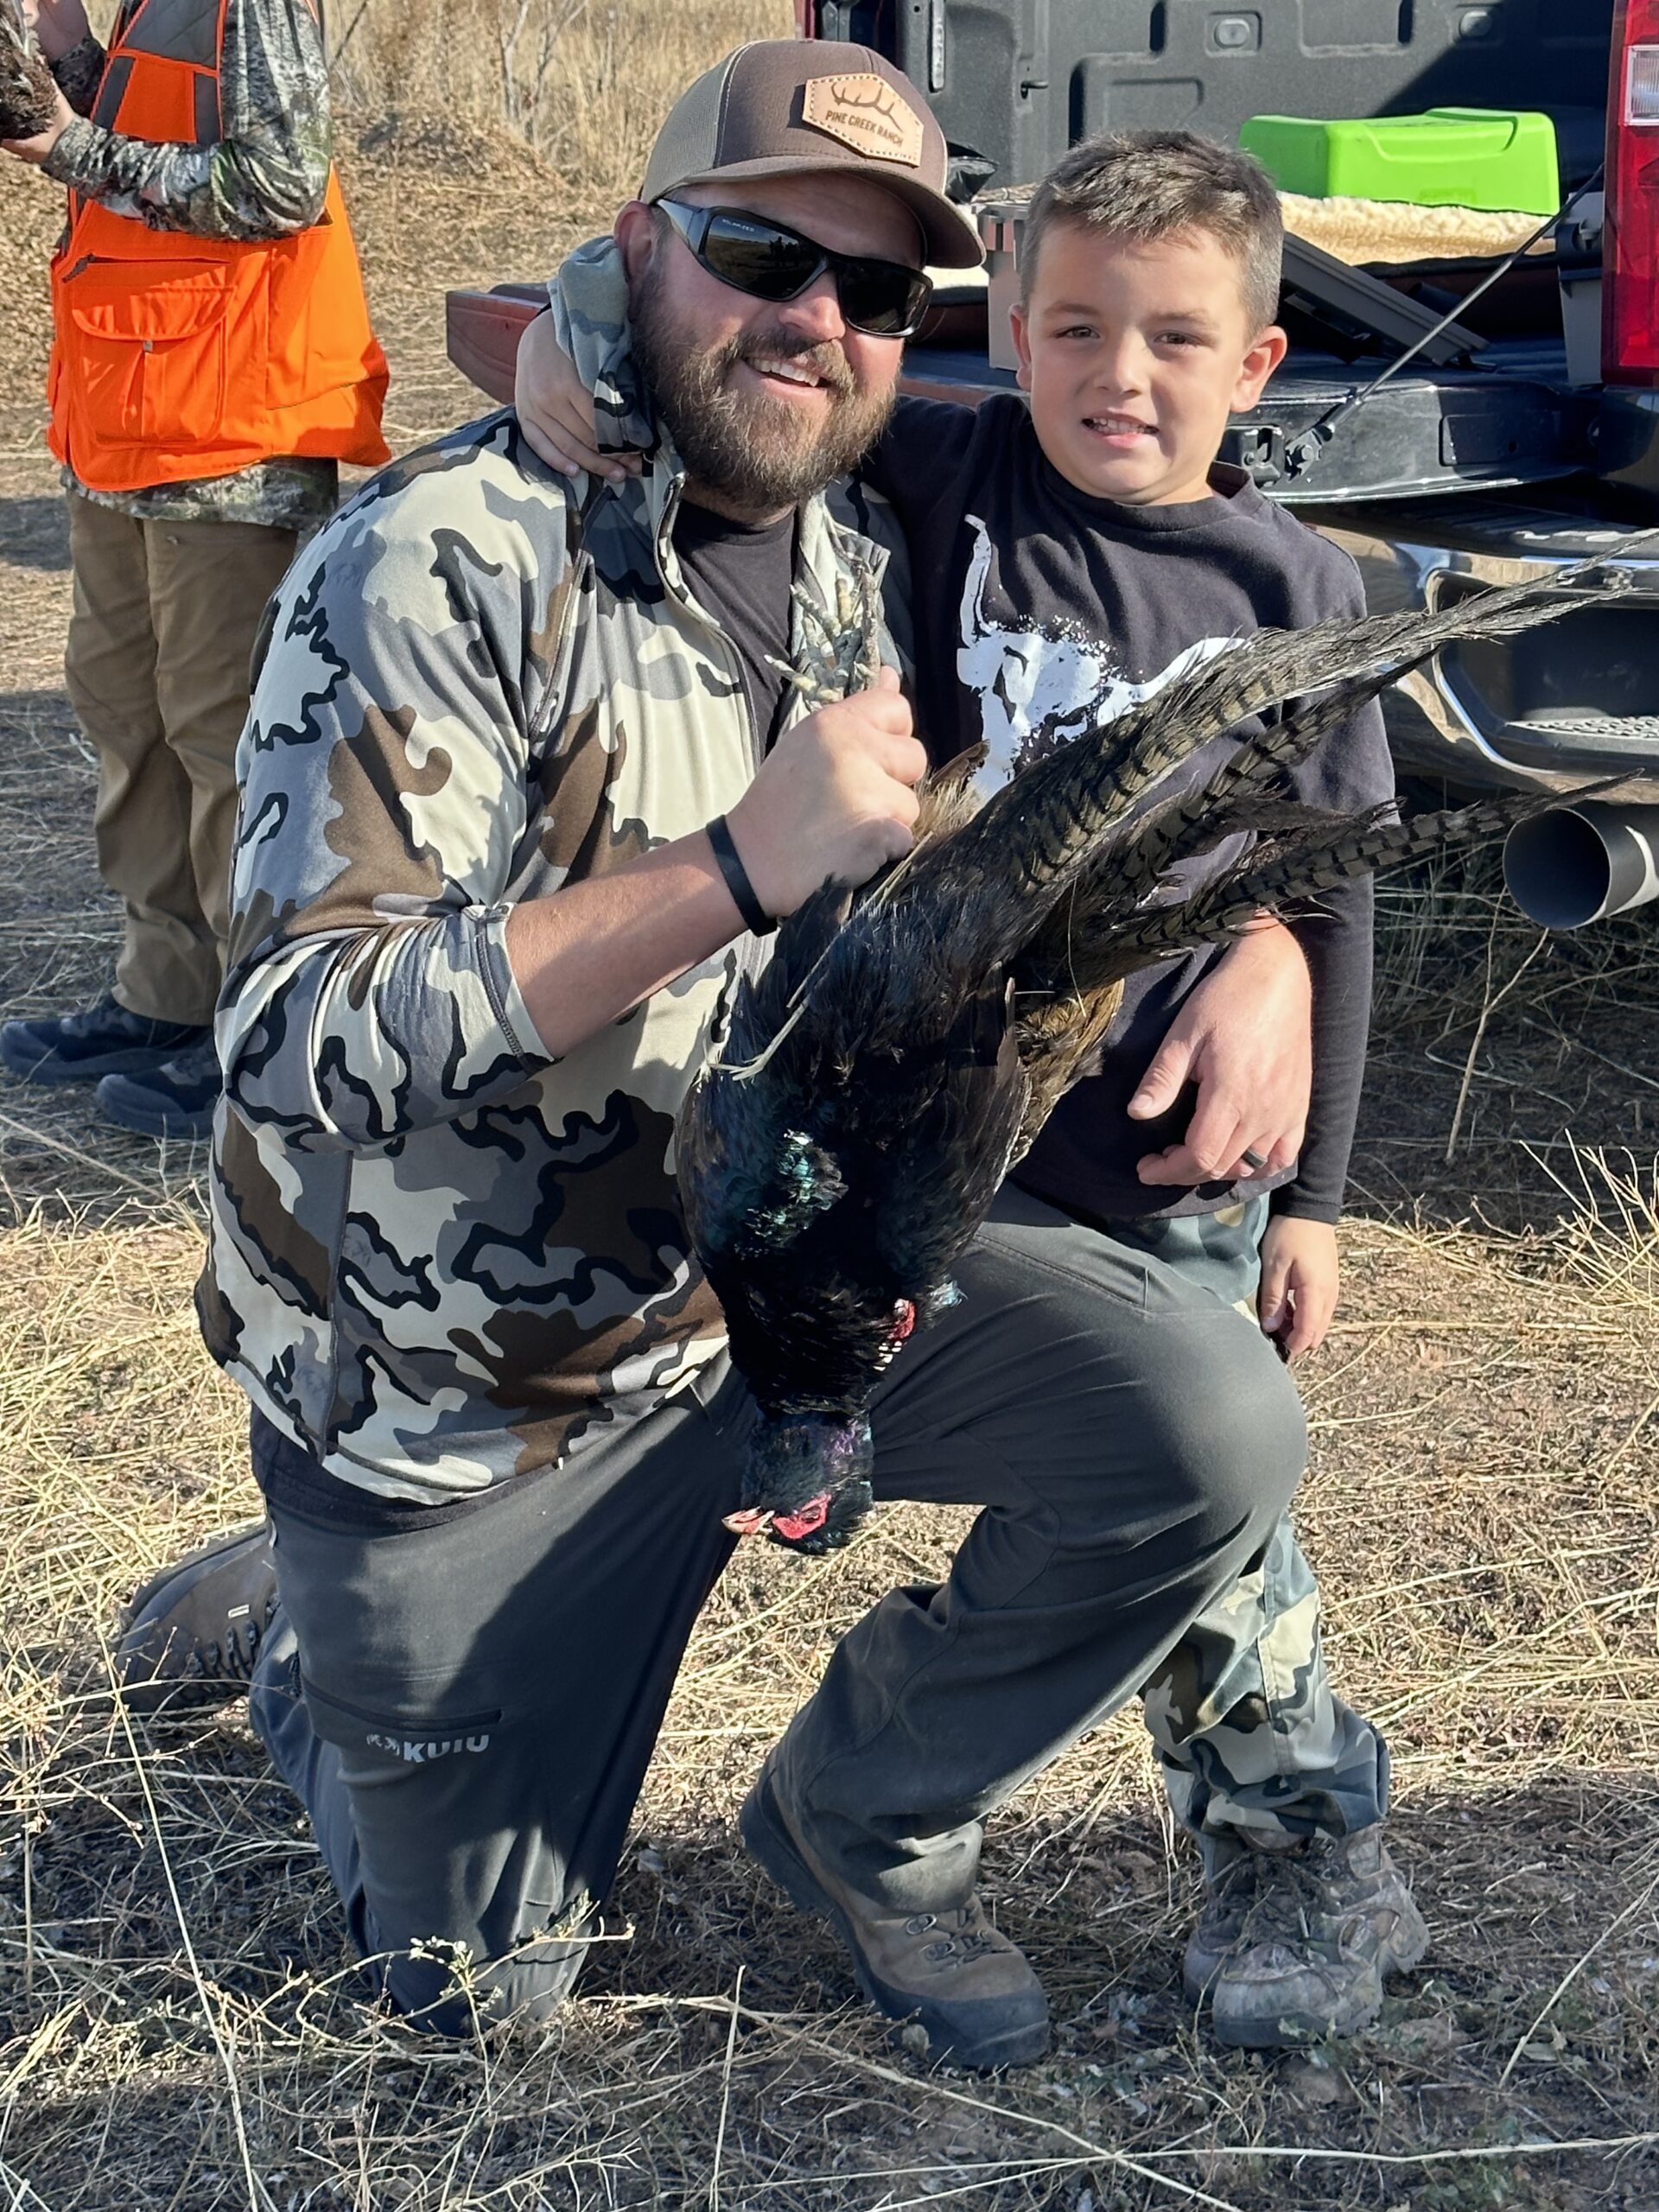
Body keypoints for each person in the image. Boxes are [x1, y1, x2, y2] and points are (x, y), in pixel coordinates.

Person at [118, 42, 1315, 2070]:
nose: (818, 318)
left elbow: (999, 859)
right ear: (641, 247)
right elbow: (297, 1033)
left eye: (879, 291)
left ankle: (865, 1813)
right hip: (474, 1429)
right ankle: (320, 1645)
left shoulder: (860, 558)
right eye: (764, 255)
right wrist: (733, 867)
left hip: (755, 1317)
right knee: (475, 2005)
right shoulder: (437, 561)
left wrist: (1257, 939)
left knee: (1205, 1418)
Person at [514, 128, 1420, 2046]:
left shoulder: (1301, 592)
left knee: (1209, 1497)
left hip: (1163, 1149)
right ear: (1005, 326)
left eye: (1176, 339)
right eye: (1072, 327)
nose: (1118, 376)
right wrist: (558, 354)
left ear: (1261, 363)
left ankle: (1295, 1830)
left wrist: (1319, 1199)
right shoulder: (947, 467)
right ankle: (408, 1576)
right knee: (975, 1433)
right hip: (933, 1140)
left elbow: (1331, 906)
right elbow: (690, 349)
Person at [0, 0, 388, 1141]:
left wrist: (67, 146)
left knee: (229, 740)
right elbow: (153, 138)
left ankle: (257, 1035)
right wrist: (66, 54)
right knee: (127, 712)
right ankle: (166, 996)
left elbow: (278, 185)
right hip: (128, 423)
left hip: (230, 441)